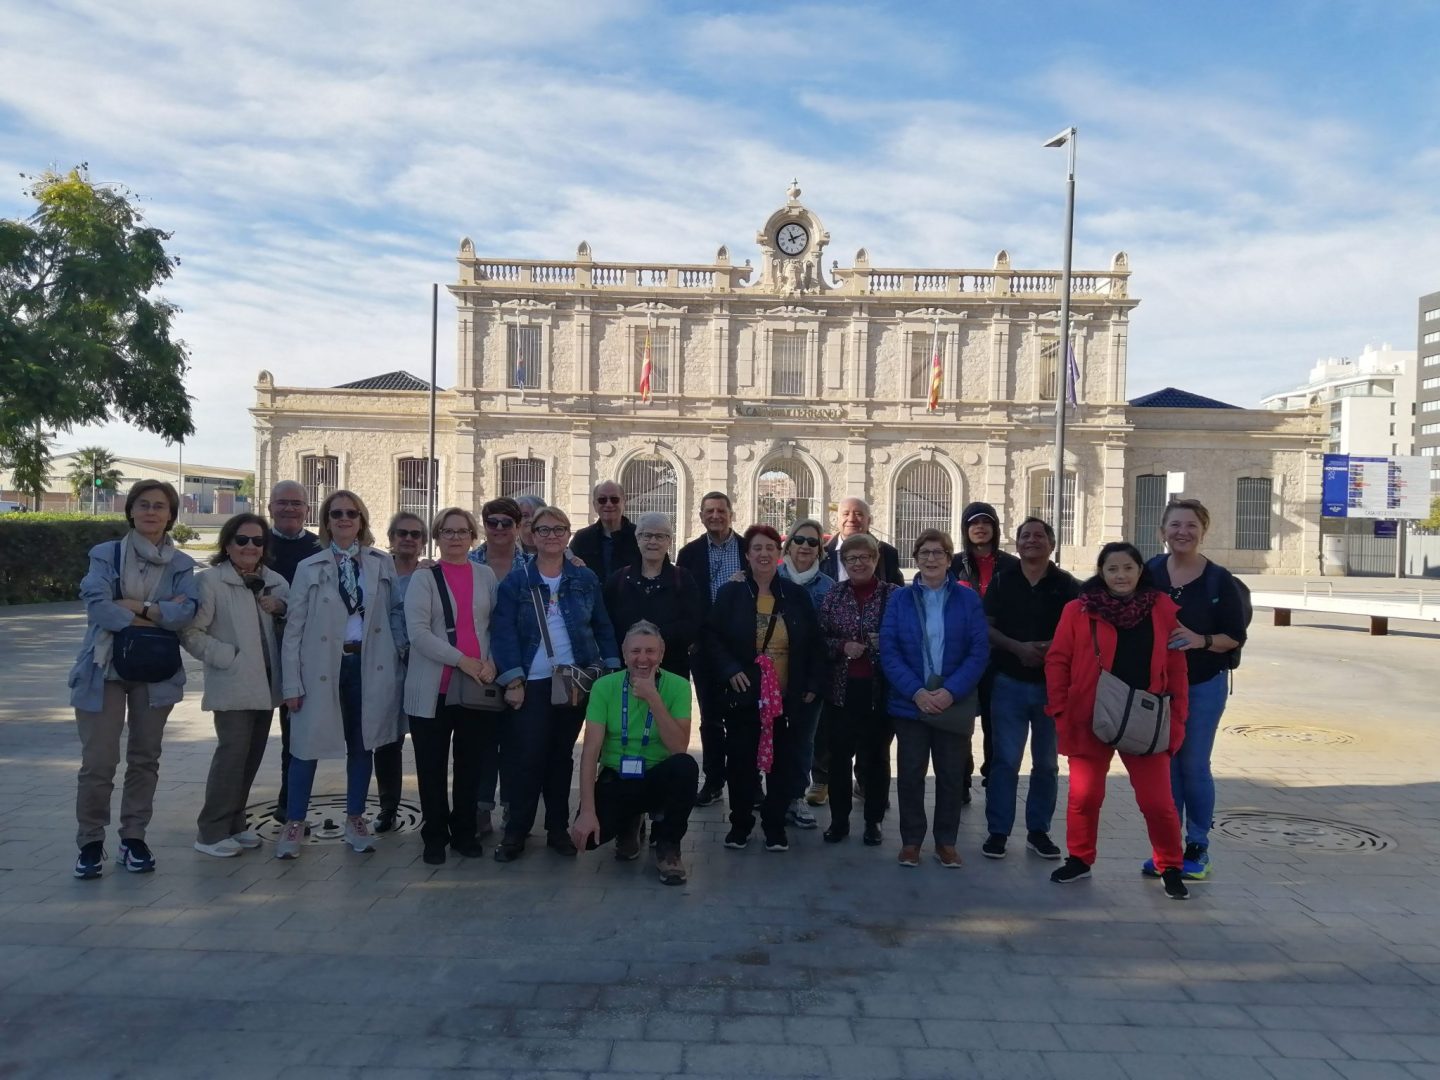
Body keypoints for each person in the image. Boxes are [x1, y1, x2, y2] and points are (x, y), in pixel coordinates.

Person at [1044, 542, 1190, 900]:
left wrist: (1177, 721)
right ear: (1101, 572)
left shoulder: (1161, 609)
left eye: (1128, 568)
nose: (1120, 575)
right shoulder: (1079, 610)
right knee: (1084, 796)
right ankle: (1079, 858)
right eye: (1112, 569)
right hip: (1090, 715)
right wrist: (1061, 709)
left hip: (1145, 716)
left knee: (1158, 802)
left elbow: (1176, 669)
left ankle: (1170, 865)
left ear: (1140, 570)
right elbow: (1058, 660)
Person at [70, 480, 199, 879]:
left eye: (160, 506)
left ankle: (133, 837)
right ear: (130, 510)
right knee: (99, 761)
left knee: (145, 759)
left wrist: (133, 604)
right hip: (104, 667)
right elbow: (98, 608)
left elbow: (185, 615)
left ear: (171, 515)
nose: (151, 512)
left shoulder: (182, 565)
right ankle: (91, 841)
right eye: (143, 504)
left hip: (155, 671)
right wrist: (156, 612)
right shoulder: (105, 554)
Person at [492, 506, 621, 862]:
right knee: (527, 756)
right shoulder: (517, 581)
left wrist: (611, 670)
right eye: (543, 530)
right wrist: (513, 679)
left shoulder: (585, 578)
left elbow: (602, 625)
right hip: (531, 681)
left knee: (561, 757)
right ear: (532, 535)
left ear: (567, 534)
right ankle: (517, 830)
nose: (551, 536)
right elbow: (503, 632)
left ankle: (557, 828)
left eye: (558, 529)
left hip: (573, 680)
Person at [278, 490, 401, 859]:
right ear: (327, 521)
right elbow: (294, 628)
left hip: (368, 665)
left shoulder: (380, 563)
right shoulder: (309, 566)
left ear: (361, 520)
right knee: (305, 746)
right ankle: (294, 821)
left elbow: (395, 614)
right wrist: (291, 682)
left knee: (363, 744)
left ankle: (355, 818)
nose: (344, 519)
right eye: (336, 514)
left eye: (352, 513)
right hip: (321, 667)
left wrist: (398, 656)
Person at [1144, 498, 1247, 881]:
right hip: (1158, 688)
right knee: (1165, 767)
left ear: (1204, 531)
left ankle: (1198, 845)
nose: (1182, 532)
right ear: (1162, 531)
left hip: (1203, 685)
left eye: (1191, 525)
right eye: (1175, 525)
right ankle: (1168, 849)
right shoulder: (1150, 571)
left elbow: (1234, 636)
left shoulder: (1219, 580)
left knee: (1193, 765)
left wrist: (1200, 640)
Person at [708, 524, 822, 853]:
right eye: (757, 548)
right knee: (741, 763)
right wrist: (730, 669)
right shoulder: (731, 593)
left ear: (779, 553)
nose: (763, 554)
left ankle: (775, 826)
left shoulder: (795, 595)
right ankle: (740, 824)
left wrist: (812, 683)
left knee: (782, 764)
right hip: (745, 696)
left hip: (785, 698)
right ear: (747, 554)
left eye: (770, 548)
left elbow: (813, 643)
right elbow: (712, 636)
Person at [879, 528, 989, 870]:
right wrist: (916, 692)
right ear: (915, 559)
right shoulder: (899, 599)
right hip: (910, 703)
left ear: (948, 558)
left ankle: (946, 842)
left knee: (951, 776)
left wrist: (950, 692)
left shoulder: (968, 600)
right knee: (910, 774)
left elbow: (978, 651)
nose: (931, 559)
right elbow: (889, 650)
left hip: (951, 702)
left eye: (938, 553)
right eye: (924, 553)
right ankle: (911, 841)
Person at [182, 512, 288, 858]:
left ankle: (235, 823)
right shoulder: (210, 582)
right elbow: (191, 632)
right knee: (231, 758)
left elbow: (293, 621)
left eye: (257, 541)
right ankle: (211, 831)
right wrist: (228, 656)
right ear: (227, 544)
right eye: (242, 540)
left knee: (250, 758)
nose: (249, 546)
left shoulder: (275, 581)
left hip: (267, 686)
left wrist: (281, 607)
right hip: (233, 684)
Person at [404, 508, 499, 864]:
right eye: (448, 531)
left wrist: (491, 663)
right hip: (433, 689)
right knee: (431, 767)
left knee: (470, 767)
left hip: (475, 688)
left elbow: (493, 626)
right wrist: (462, 660)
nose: (456, 537)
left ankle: (464, 832)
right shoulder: (424, 578)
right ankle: (434, 835)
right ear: (437, 537)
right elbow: (418, 633)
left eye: (462, 531)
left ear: (473, 537)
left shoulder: (485, 575)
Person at [979, 517, 1078, 861]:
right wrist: (1018, 648)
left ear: (1051, 544)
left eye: (1039, 535)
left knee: (1047, 764)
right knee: (1005, 761)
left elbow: (1078, 630)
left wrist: (1049, 648)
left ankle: (1039, 831)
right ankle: (998, 832)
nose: (1032, 540)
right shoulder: (1002, 581)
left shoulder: (1067, 585)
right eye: (1025, 536)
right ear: (1017, 543)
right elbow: (986, 627)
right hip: (1008, 683)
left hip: (1052, 687)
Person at [571, 621, 698, 886]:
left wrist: (653, 698)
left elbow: (678, 748)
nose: (643, 658)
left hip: (657, 777)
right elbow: (590, 751)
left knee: (685, 766)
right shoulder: (605, 686)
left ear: (661, 654)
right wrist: (587, 812)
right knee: (589, 839)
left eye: (650, 651)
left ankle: (668, 847)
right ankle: (629, 822)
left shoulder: (678, 686)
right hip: (618, 777)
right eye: (636, 651)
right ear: (624, 653)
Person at [811, 497, 902, 809]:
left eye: (865, 557)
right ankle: (838, 820)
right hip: (841, 688)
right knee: (838, 754)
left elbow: (907, 637)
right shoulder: (833, 594)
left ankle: (874, 819)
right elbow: (820, 638)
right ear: (844, 562)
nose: (858, 563)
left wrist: (885, 641)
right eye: (851, 559)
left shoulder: (893, 595)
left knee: (876, 755)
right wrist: (842, 646)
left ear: (876, 559)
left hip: (880, 688)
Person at [466, 497, 531, 832]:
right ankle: (480, 808)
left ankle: (512, 808)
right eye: (493, 522)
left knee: (517, 742)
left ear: (518, 527)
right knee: (482, 742)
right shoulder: (468, 562)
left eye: (507, 522)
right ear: (484, 524)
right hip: (478, 666)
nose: (500, 528)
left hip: (521, 664)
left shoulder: (532, 565)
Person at [948, 500, 1020, 802]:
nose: (980, 528)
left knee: (995, 722)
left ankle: (993, 777)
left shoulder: (1011, 565)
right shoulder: (954, 564)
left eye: (986, 522)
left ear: (995, 528)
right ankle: (961, 780)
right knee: (961, 723)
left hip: (999, 656)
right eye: (974, 523)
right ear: (965, 529)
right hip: (962, 657)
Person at [675, 491, 744, 806]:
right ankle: (714, 780)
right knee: (711, 718)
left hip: (742, 646)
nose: (715, 516)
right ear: (701, 516)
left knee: (745, 720)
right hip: (703, 646)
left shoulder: (747, 548)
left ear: (731, 514)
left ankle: (748, 781)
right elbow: (682, 599)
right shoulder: (689, 553)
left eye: (721, 510)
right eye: (709, 511)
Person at [266, 480, 323, 823]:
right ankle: (228, 815)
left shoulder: (319, 547)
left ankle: (289, 803)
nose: (289, 508)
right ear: (270, 507)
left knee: (295, 730)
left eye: (296, 503)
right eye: (282, 502)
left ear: (307, 509)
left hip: (303, 652)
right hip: (259, 647)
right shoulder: (255, 541)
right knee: (248, 736)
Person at [777, 518, 835, 831]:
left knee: (803, 740)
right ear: (789, 545)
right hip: (773, 676)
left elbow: (827, 641)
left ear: (820, 551)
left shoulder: (828, 588)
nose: (805, 546)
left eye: (813, 542)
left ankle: (796, 797)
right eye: (799, 540)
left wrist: (816, 681)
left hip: (808, 679)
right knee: (770, 738)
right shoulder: (770, 578)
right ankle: (771, 796)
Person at [373, 511, 426, 833]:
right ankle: (387, 806)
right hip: (384, 664)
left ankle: (432, 807)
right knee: (387, 740)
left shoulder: (429, 573)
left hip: (420, 665)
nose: (408, 539)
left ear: (423, 541)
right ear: (391, 538)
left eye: (415, 534)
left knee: (426, 741)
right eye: (402, 533)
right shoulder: (377, 572)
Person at [603, 512, 703, 680]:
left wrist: (653, 639)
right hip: (626, 672)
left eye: (660, 536)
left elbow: (693, 623)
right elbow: (606, 624)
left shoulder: (683, 579)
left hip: (671, 672)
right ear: (637, 539)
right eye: (647, 535)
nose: (653, 542)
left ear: (669, 541)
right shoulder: (619, 579)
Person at [818, 497, 905, 586]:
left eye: (858, 514)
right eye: (846, 514)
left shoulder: (887, 552)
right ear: (838, 520)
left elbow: (897, 590)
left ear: (869, 521)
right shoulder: (821, 552)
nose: (851, 519)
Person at [569, 480, 641, 581]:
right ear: (595, 505)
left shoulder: (640, 537)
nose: (609, 504)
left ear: (624, 502)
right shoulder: (582, 538)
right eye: (602, 500)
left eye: (614, 499)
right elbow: (568, 571)